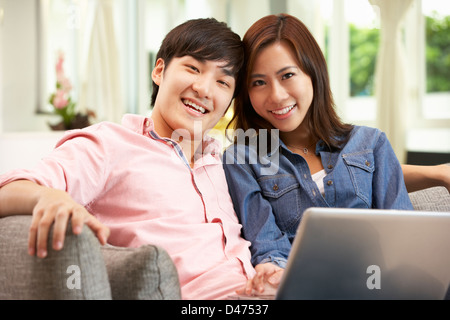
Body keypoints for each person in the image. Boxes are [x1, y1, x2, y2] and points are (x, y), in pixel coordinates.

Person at [0, 18, 256, 300]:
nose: (205, 90)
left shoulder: (221, 163)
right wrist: (48, 197)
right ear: (159, 71)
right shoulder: (111, 144)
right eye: (193, 68)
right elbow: (7, 190)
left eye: (222, 82)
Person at [222, 13, 450, 295]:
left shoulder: (371, 143)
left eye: (287, 75)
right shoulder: (243, 160)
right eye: (259, 82)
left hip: (382, 286)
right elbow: (268, 245)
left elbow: (402, 236)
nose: (277, 95)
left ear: (313, 72)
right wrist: (272, 272)